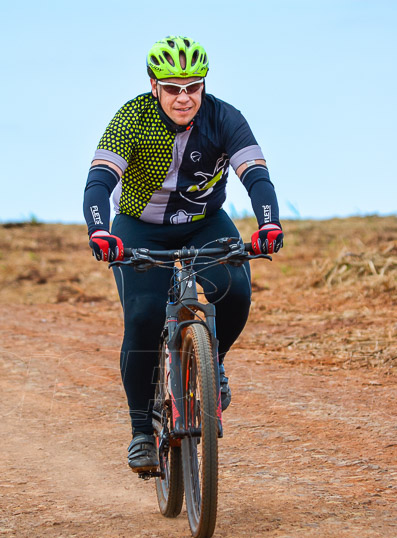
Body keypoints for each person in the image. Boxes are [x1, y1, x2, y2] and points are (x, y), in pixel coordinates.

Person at [83, 35, 284, 473]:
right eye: (173, 87)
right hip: (139, 227)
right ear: (154, 85)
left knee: (234, 290)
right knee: (142, 316)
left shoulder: (224, 117)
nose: (183, 97)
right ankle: (141, 431)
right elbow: (99, 183)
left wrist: (268, 221)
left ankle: (214, 366)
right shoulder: (132, 119)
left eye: (193, 86)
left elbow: (256, 176)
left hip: (204, 223)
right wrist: (100, 230)